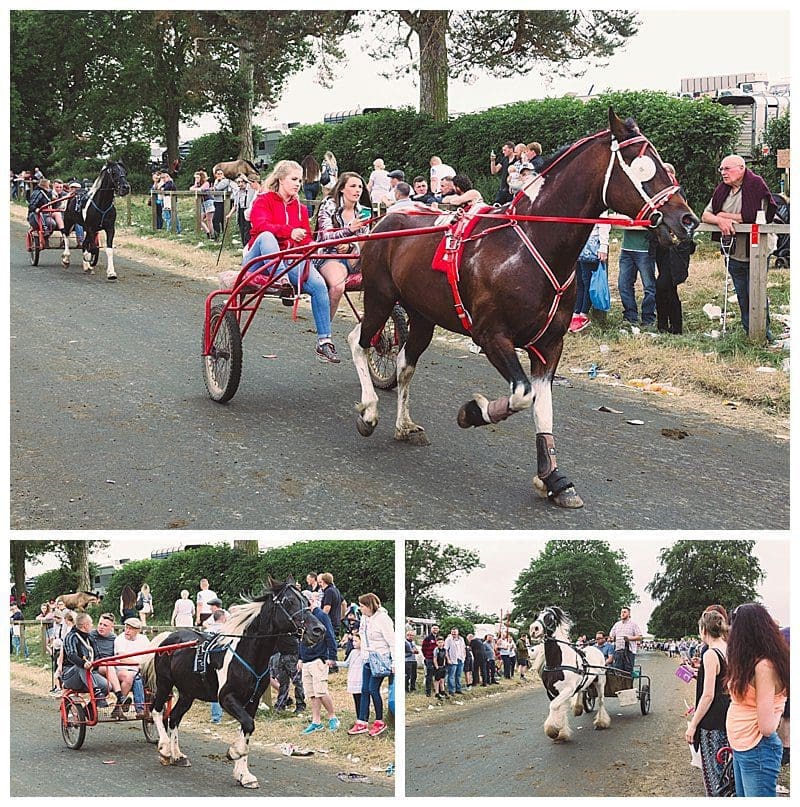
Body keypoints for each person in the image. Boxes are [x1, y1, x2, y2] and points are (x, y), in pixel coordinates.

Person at [244, 159, 340, 363]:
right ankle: (280, 278)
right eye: (294, 179)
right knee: (267, 236)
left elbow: (305, 237)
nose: (298, 184)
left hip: (290, 262)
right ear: (280, 179)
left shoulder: (301, 209)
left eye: (300, 180)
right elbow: (260, 226)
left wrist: (311, 246)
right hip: (260, 261)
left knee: (319, 285)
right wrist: (289, 232)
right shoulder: (264, 200)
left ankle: (324, 341)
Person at [701, 155, 776, 336]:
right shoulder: (722, 190)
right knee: (742, 295)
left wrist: (724, 215)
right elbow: (705, 215)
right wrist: (719, 219)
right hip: (734, 251)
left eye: (727, 169)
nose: (723, 173)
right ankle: (748, 332)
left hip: (757, 251)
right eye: (721, 169)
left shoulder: (755, 185)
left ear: (741, 168)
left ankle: (763, 333)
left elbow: (753, 216)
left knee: (756, 293)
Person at [725, 603, 789, 797]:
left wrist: (778, 709)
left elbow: (767, 728)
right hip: (742, 745)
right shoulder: (749, 662)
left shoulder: (764, 667)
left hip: (757, 747)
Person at [684, 609, 730, 797]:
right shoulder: (727, 648)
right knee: (726, 769)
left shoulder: (711, 654)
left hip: (712, 720)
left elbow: (708, 695)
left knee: (713, 772)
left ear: (704, 629)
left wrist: (693, 725)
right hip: (727, 713)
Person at [314, 171, 371, 320]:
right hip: (330, 255)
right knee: (338, 287)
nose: (358, 190)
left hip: (355, 257)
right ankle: (325, 331)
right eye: (353, 186)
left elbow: (364, 240)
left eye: (360, 187)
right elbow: (325, 236)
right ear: (341, 189)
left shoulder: (363, 211)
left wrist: (350, 245)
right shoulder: (329, 205)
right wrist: (348, 231)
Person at [654, 164, 695, 334]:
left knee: (666, 285)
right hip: (662, 246)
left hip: (677, 247)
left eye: (668, 172)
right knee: (665, 286)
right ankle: (664, 325)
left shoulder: (678, 194)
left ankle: (673, 326)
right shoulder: (658, 196)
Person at [348, 593, 394, 737]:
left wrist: (395, 662)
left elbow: (392, 641)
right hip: (367, 658)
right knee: (364, 690)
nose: (360, 609)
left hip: (380, 658)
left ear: (369, 606)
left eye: (362, 606)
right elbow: (363, 636)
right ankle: (362, 721)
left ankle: (379, 721)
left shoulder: (383, 619)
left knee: (373, 689)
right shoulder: (365, 619)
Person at [297, 600, 340, 735]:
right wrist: (300, 658)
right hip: (306, 659)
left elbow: (330, 635)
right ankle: (316, 722)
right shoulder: (303, 618)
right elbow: (301, 639)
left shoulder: (321, 615)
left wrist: (332, 656)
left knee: (321, 691)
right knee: (312, 693)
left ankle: (332, 717)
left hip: (319, 658)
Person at [570, 215, 611, 333]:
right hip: (580, 243)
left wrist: (603, 246)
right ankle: (577, 312)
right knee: (579, 281)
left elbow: (604, 223)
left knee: (588, 281)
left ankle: (583, 313)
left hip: (591, 245)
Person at [61, 612, 110, 709]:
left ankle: (89, 709)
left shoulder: (90, 638)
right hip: (71, 675)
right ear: (85, 625)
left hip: (89, 674)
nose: (93, 625)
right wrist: (83, 663)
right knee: (81, 666)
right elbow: (71, 655)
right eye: (91, 623)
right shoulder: (71, 637)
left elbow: (97, 656)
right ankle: (96, 693)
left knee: (107, 686)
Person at [618, 223, 657, 329]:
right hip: (626, 249)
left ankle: (648, 318)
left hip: (644, 250)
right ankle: (630, 317)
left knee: (649, 286)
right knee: (623, 285)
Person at [114, 617, 150, 719]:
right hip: (122, 670)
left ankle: (119, 707)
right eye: (126, 627)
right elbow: (122, 658)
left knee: (140, 677)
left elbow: (149, 654)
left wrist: (143, 665)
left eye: (131, 629)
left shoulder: (144, 639)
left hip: (140, 670)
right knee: (136, 678)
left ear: (137, 630)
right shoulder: (119, 639)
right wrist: (138, 664)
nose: (127, 630)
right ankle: (140, 709)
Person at [205, 609, 229, 724]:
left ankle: (216, 717)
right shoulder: (225, 631)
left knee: (215, 689)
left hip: (208, 664)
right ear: (223, 618)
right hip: (223, 664)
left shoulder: (208, 630)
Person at [608, 606, 642, 675]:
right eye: (621, 612)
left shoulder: (633, 624)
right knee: (617, 671)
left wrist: (629, 638)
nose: (622, 614)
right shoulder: (617, 625)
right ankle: (619, 685)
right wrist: (611, 639)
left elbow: (640, 637)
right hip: (618, 651)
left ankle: (628, 685)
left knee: (628, 672)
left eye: (624, 612)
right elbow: (611, 636)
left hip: (629, 652)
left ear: (629, 614)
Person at [227, 174, 255, 246]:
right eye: (238, 182)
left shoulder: (251, 190)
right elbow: (235, 205)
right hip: (240, 212)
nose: (240, 184)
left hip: (248, 212)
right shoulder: (237, 192)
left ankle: (248, 247)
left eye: (242, 182)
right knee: (242, 231)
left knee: (247, 232)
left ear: (245, 182)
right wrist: (229, 214)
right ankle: (244, 247)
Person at [190, 170, 214, 239]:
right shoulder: (198, 184)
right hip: (202, 203)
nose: (196, 179)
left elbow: (201, 189)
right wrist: (196, 185)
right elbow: (191, 188)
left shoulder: (206, 183)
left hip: (208, 201)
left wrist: (196, 188)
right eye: (195, 178)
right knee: (199, 219)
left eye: (197, 177)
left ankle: (212, 235)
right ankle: (208, 232)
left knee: (209, 219)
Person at [211, 167, 233, 239]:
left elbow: (217, 188)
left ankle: (221, 236)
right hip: (217, 202)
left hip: (223, 202)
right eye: (218, 174)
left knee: (216, 220)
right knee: (219, 220)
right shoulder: (217, 181)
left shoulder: (225, 181)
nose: (219, 175)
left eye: (221, 174)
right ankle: (219, 236)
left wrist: (216, 181)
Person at [444, 627, 466, 695]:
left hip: (461, 659)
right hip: (453, 660)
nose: (454, 633)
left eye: (455, 632)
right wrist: (448, 659)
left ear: (458, 632)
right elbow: (446, 650)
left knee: (458, 675)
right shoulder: (448, 640)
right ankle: (451, 690)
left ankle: (458, 689)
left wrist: (464, 656)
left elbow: (464, 648)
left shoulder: (461, 639)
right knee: (451, 675)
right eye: (452, 632)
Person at [421, 624, 440, 696]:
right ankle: (428, 692)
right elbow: (423, 649)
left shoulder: (439, 638)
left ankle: (437, 691)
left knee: (437, 675)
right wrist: (427, 656)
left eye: (437, 628)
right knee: (429, 675)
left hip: (438, 659)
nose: (435, 630)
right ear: (431, 629)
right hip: (429, 659)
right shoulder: (428, 638)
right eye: (434, 628)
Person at [432, 634, 448, 700]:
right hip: (438, 667)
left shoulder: (444, 649)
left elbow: (445, 657)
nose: (440, 644)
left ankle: (443, 691)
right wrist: (437, 667)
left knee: (442, 680)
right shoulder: (436, 650)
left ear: (444, 642)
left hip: (443, 666)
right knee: (437, 680)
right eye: (439, 642)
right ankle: (437, 693)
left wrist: (445, 664)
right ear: (436, 643)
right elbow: (434, 659)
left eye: (441, 642)